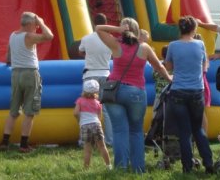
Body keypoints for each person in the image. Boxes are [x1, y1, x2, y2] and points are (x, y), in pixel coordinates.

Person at [96, 18, 172, 173]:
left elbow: (98, 28)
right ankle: (138, 168)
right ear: (137, 31)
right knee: (136, 131)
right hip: (136, 92)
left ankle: (121, 168)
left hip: (114, 92)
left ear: (124, 30)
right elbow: (158, 66)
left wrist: (118, 29)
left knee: (119, 131)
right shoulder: (144, 48)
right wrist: (170, 79)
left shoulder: (116, 45)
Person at [164, 16, 215, 174]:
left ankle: (187, 167)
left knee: (184, 132)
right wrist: (202, 70)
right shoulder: (200, 44)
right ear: (194, 29)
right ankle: (209, 164)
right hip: (196, 91)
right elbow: (204, 62)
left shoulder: (173, 45)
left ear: (180, 29)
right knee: (198, 129)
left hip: (178, 90)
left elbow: (169, 66)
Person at [0, 12, 54, 152]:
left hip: (16, 73)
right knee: (29, 112)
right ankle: (24, 144)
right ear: (30, 24)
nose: (36, 28)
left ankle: (4, 142)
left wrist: (10, 62)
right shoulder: (28, 36)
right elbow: (49, 36)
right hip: (30, 73)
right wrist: (41, 22)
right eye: (35, 25)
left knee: (13, 111)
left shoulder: (13, 35)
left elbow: (8, 54)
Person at [79, 13, 113, 145]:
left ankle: (85, 140)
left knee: (87, 107)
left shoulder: (87, 39)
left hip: (90, 74)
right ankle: (109, 140)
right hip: (105, 74)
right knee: (106, 109)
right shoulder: (110, 39)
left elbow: (80, 51)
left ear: (94, 24)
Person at [73, 79, 112, 170]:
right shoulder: (98, 103)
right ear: (97, 91)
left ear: (84, 90)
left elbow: (75, 113)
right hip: (96, 124)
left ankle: (86, 168)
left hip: (85, 126)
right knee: (102, 146)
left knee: (87, 149)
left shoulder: (80, 101)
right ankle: (108, 166)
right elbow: (100, 117)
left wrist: (79, 120)